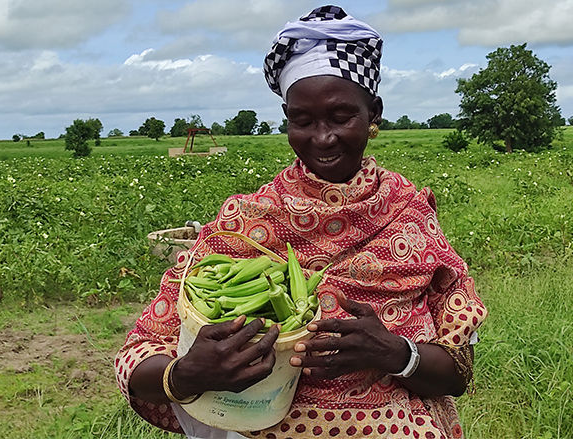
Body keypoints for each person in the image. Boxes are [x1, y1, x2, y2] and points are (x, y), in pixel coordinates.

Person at [115, 6, 486, 439]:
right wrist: (187, 375)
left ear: (374, 115)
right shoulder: (245, 222)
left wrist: (392, 352)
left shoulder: (411, 217)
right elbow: (137, 355)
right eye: (303, 121)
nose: (323, 138)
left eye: (341, 116)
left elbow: (456, 374)